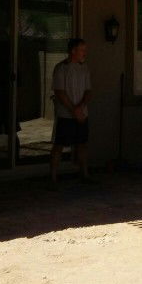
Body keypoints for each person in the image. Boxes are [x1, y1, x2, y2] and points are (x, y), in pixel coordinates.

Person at [51, 37, 93, 186]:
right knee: (59, 145)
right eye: (82, 50)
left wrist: (80, 108)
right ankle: (53, 178)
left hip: (82, 114)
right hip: (65, 115)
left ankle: (85, 174)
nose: (84, 53)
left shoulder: (84, 68)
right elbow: (60, 92)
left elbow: (88, 91)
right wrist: (73, 109)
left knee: (82, 144)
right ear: (73, 51)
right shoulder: (61, 68)